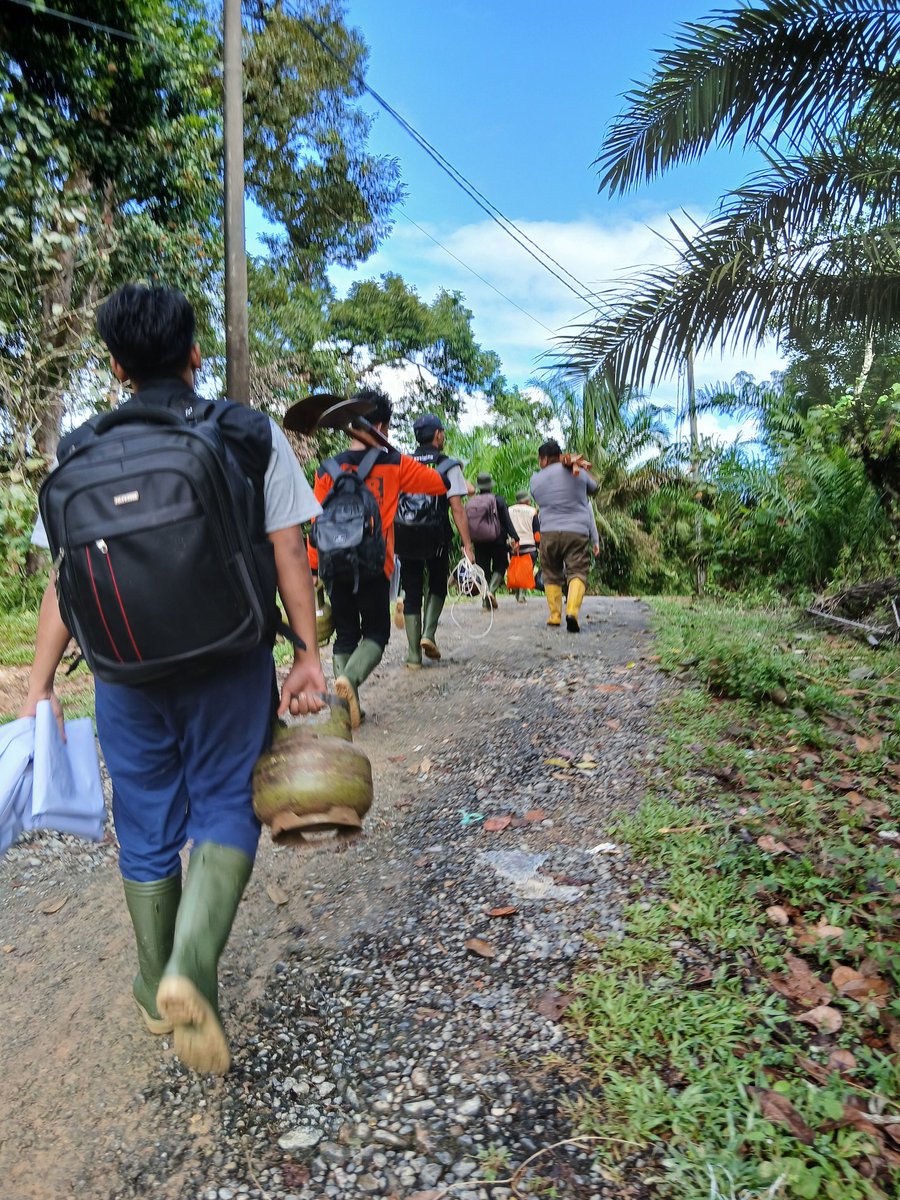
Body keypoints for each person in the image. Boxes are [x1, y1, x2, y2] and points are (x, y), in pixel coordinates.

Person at [19, 284, 326, 1075]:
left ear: (116, 365)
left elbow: (64, 577)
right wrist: (306, 653)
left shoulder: (78, 450)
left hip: (124, 672)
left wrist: (40, 684)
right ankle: (196, 959)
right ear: (195, 353)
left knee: (147, 818)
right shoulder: (247, 433)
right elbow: (288, 551)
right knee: (227, 803)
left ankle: (158, 980)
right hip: (229, 660)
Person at [307, 390, 450, 725]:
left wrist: (314, 567)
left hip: (332, 562)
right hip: (374, 564)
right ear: (382, 425)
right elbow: (438, 485)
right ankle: (350, 681)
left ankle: (345, 710)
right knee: (376, 633)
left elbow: (316, 522)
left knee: (344, 633)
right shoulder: (394, 463)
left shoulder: (326, 468)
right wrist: (392, 453)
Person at [394, 413, 475, 668]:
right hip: (436, 533)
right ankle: (428, 634)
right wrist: (468, 545)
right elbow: (457, 508)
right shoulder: (447, 464)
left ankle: (413, 655)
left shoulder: (401, 462)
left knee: (412, 589)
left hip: (405, 533)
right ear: (438, 434)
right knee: (438, 582)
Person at [529, 439, 600, 632]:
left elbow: (537, 497)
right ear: (559, 456)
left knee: (551, 571)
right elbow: (595, 488)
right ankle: (572, 613)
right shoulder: (578, 472)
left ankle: (554, 615)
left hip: (549, 532)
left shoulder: (536, 479)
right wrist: (581, 467)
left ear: (544, 459)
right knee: (577, 571)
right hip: (577, 532)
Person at [465, 474, 519, 608]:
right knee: (500, 565)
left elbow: (466, 524)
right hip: (497, 539)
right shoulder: (498, 500)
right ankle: (490, 591)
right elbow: (506, 520)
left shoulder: (471, 502)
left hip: (478, 541)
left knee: (483, 570)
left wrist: (465, 543)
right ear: (490, 486)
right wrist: (515, 537)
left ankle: (486, 602)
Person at [508, 489, 541, 603]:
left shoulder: (509, 510)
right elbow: (536, 532)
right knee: (526, 570)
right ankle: (521, 595)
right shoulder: (532, 511)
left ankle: (517, 593)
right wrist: (539, 545)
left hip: (513, 545)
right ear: (527, 500)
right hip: (529, 545)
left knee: (517, 569)